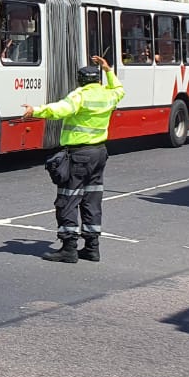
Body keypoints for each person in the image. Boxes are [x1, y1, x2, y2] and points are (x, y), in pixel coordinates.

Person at [21, 56, 125, 263]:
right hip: (99, 153)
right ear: (98, 79)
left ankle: (69, 248)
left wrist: (36, 111)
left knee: (68, 198)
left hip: (79, 154)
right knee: (91, 199)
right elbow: (120, 90)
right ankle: (92, 247)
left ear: (80, 80)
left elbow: (61, 109)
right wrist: (108, 70)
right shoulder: (108, 95)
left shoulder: (80, 96)